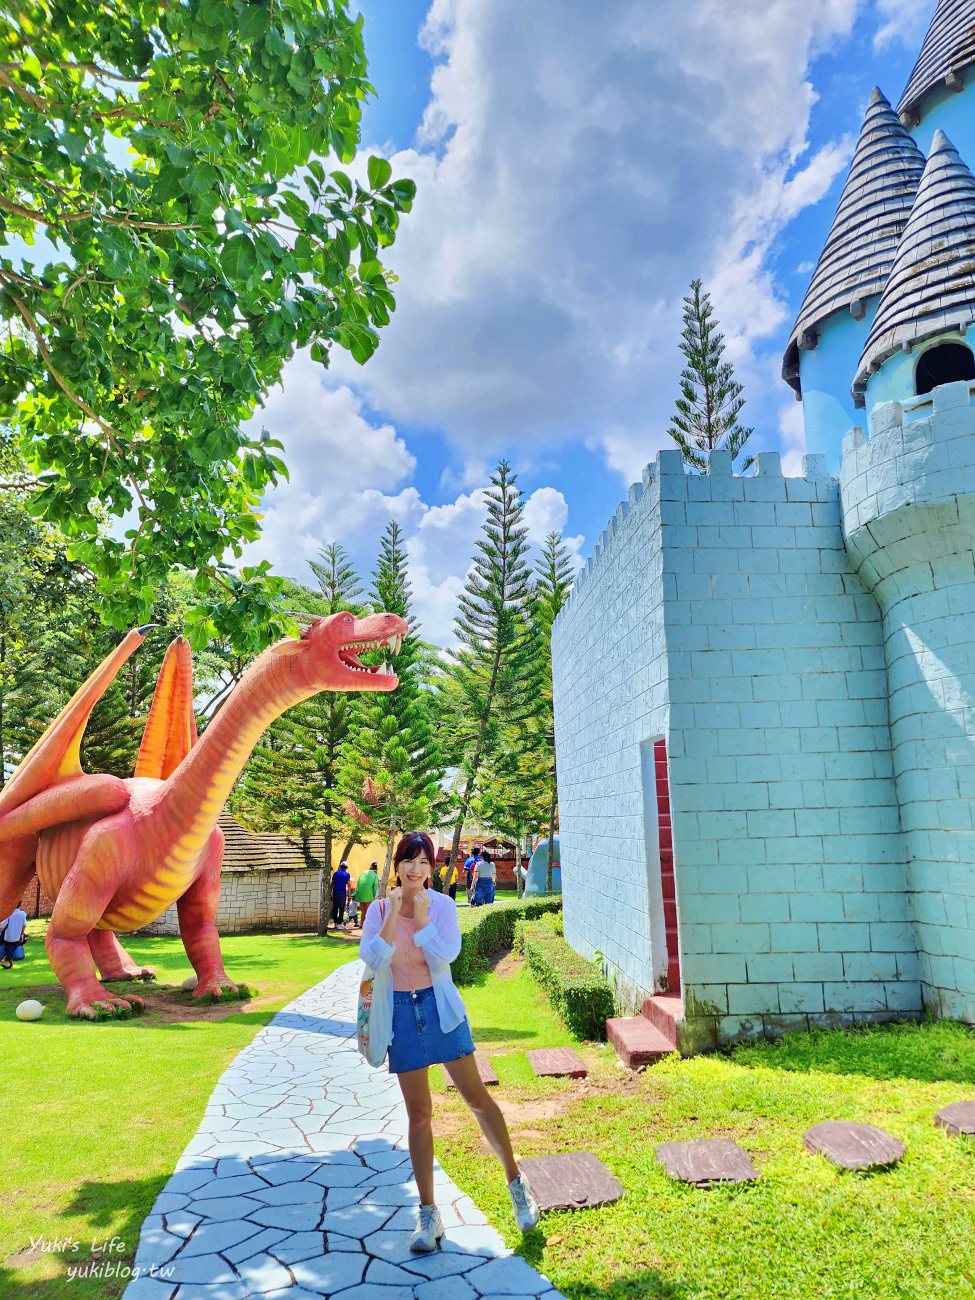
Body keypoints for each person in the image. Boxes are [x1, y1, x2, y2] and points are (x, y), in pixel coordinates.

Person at [359, 830, 540, 1250]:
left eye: (423, 862)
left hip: (440, 1011)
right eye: (409, 861)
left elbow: (445, 957)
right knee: (418, 1113)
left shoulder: (441, 906)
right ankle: (428, 1215)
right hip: (401, 1015)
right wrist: (391, 915)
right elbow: (372, 959)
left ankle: (516, 1182)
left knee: (476, 1097)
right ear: (398, 865)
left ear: (432, 866)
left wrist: (421, 920)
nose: (416, 869)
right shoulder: (379, 911)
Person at [0, 900, 27, 969]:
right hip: (17, 935)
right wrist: (22, 934)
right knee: (12, 948)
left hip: (8, 935)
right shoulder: (23, 914)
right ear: (20, 905)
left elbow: (2, 925)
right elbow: (24, 925)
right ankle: (8, 963)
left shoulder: (9, 914)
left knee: (9, 949)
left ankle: (5, 961)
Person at [356, 861, 379, 928]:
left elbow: (358, 883)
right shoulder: (375, 875)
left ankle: (361, 923)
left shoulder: (363, 872)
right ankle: (365, 925)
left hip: (360, 893)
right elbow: (375, 886)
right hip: (368, 894)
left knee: (363, 911)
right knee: (367, 911)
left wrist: (357, 893)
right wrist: (374, 895)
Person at [330, 861, 351, 930]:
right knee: (341, 908)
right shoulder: (347, 874)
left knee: (335, 907)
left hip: (335, 892)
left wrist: (330, 892)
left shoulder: (335, 873)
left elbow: (332, 884)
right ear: (346, 867)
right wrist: (349, 896)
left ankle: (335, 923)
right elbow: (349, 886)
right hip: (342, 893)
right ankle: (339, 923)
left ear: (340, 866)